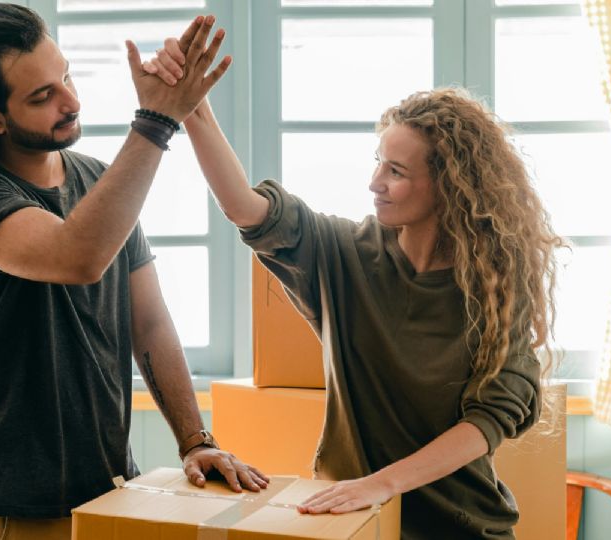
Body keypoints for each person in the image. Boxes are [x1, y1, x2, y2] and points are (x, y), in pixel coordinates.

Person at [145, 36, 562, 539]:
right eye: (378, 162)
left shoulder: (494, 286)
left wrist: (381, 483)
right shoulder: (343, 253)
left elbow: (488, 420)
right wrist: (191, 109)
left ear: (449, 184)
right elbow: (244, 207)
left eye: (396, 171)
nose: (374, 182)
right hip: (354, 523)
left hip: (462, 527)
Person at [0, 5, 267, 538]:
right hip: (4, 501)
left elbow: (148, 321)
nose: (71, 101)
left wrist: (196, 440)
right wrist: (156, 120)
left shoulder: (99, 181)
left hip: (105, 488)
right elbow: (76, 257)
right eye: (42, 97)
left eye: (66, 76)